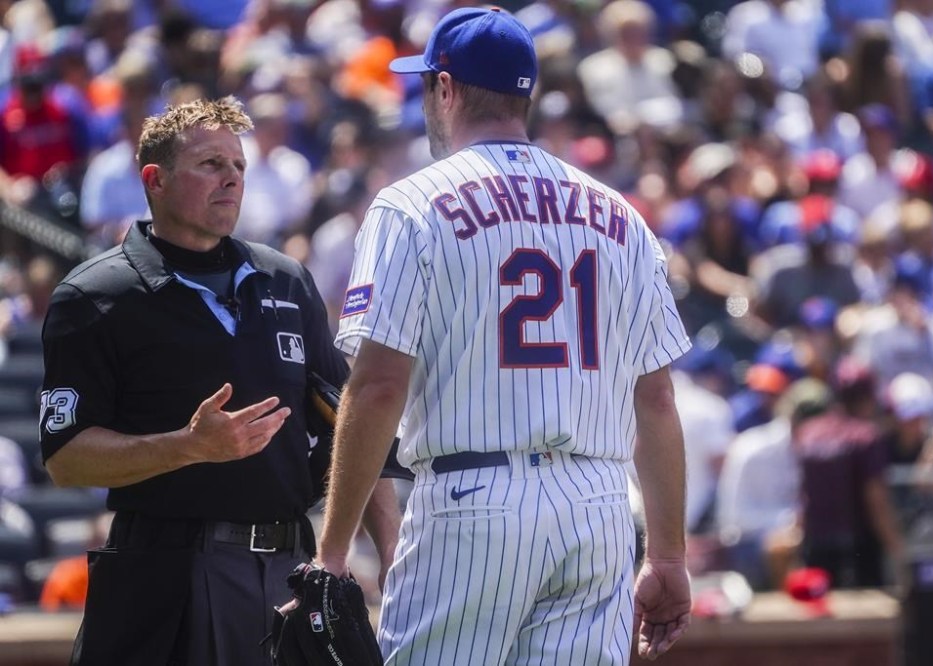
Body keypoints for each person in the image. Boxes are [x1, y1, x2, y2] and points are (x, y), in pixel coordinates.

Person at [315, 8, 692, 664]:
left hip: (472, 501)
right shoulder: (619, 213)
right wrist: (667, 554)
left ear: (447, 89)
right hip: (597, 505)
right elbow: (655, 400)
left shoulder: (410, 205)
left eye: (428, 84)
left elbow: (377, 386)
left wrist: (332, 551)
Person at [39, 96, 400, 666]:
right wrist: (189, 448)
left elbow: (353, 425)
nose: (232, 179)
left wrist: (392, 560)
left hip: (289, 575)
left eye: (238, 167)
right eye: (210, 164)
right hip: (167, 576)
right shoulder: (95, 296)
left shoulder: (286, 279)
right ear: (154, 180)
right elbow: (65, 460)